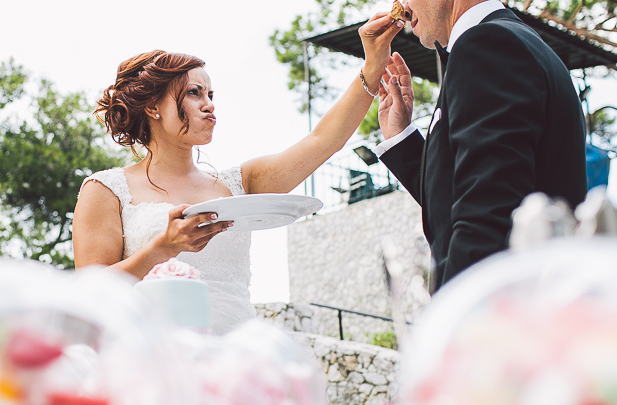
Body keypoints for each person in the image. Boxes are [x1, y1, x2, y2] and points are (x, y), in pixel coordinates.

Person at [73, 19, 401, 335]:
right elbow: (90, 294)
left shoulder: (239, 184)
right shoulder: (106, 190)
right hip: (152, 361)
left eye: (211, 95)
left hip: (235, 361)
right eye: (194, 93)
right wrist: (162, 248)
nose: (209, 106)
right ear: (153, 107)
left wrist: (372, 67)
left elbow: (321, 141)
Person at [373, 0, 587, 292]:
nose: (403, 6)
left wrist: (456, 327)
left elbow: (489, 212)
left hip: (506, 318)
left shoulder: (486, 46)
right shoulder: (514, 43)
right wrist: (401, 137)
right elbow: (467, 189)